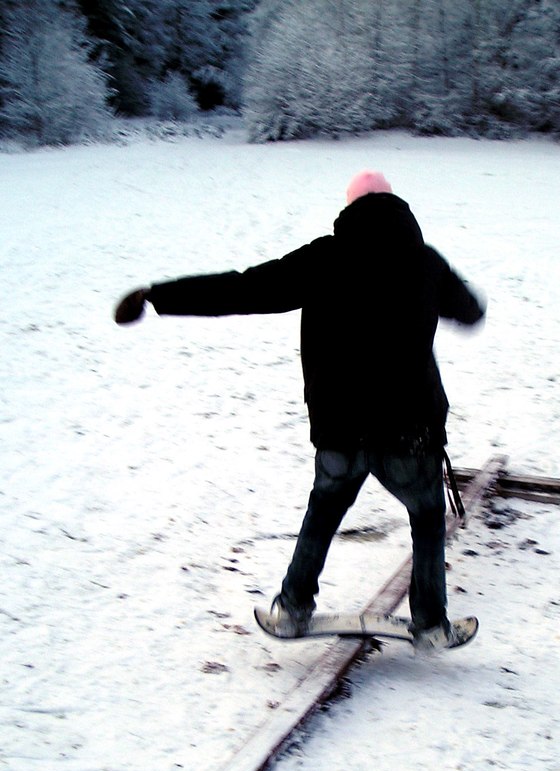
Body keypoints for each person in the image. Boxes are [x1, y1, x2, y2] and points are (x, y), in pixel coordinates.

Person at [115, 170, 485, 649]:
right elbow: (471, 311)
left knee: (324, 510)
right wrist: (442, 290)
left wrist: (157, 295)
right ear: (398, 207)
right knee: (427, 517)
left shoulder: (323, 259)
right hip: (409, 428)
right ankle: (432, 624)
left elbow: (243, 289)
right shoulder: (426, 261)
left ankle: (291, 610)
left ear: (349, 208)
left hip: (340, 427)